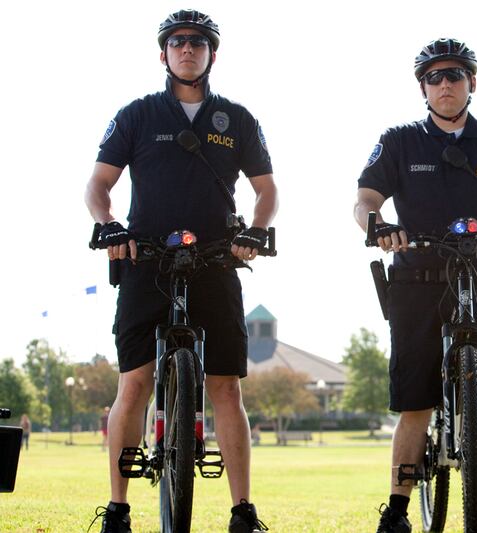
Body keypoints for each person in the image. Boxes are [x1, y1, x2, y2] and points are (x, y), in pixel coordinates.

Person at [84, 9, 277, 533]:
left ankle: (243, 511)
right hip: (145, 258)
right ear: (163, 53)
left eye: (197, 41)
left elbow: (266, 191)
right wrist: (109, 226)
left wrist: (255, 231)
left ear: (213, 53)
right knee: (134, 383)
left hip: (217, 258)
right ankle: (118, 509)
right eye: (177, 41)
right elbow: (98, 185)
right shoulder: (137, 115)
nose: (187, 48)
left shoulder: (237, 118)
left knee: (226, 388)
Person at [354, 38, 477, 533]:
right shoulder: (400, 140)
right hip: (417, 279)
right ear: (423, 87)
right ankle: (397, 511)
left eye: (455, 75)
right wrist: (378, 225)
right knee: (415, 403)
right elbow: (366, 199)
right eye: (435, 77)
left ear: (472, 83)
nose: (445, 84)